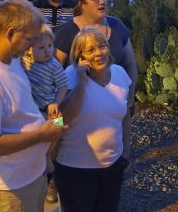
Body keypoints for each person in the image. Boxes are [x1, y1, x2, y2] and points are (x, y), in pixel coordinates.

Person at [0, 0, 68, 212]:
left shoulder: (11, 59)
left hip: (29, 176)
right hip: (9, 189)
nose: (32, 47)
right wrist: (42, 136)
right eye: (29, 39)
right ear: (10, 33)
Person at [53, 27, 132, 212]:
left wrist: (125, 154)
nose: (98, 53)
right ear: (79, 56)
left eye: (102, 46)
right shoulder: (68, 77)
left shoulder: (120, 74)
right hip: (75, 170)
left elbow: (125, 116)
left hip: (112, 166)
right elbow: (60, 120)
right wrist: (82, 82)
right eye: (90, 50)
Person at [21, 24, 69, 204]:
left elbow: (63, 85)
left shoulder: (54, 64)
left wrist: (56, 102)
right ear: (29, 48)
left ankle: (49, 166)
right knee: (33, 142)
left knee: (57, 130)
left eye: (50, 46)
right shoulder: (24, 62)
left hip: (50, 108)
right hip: (32, 111)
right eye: (41, 48)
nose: (48, 51)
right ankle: (39, 172)